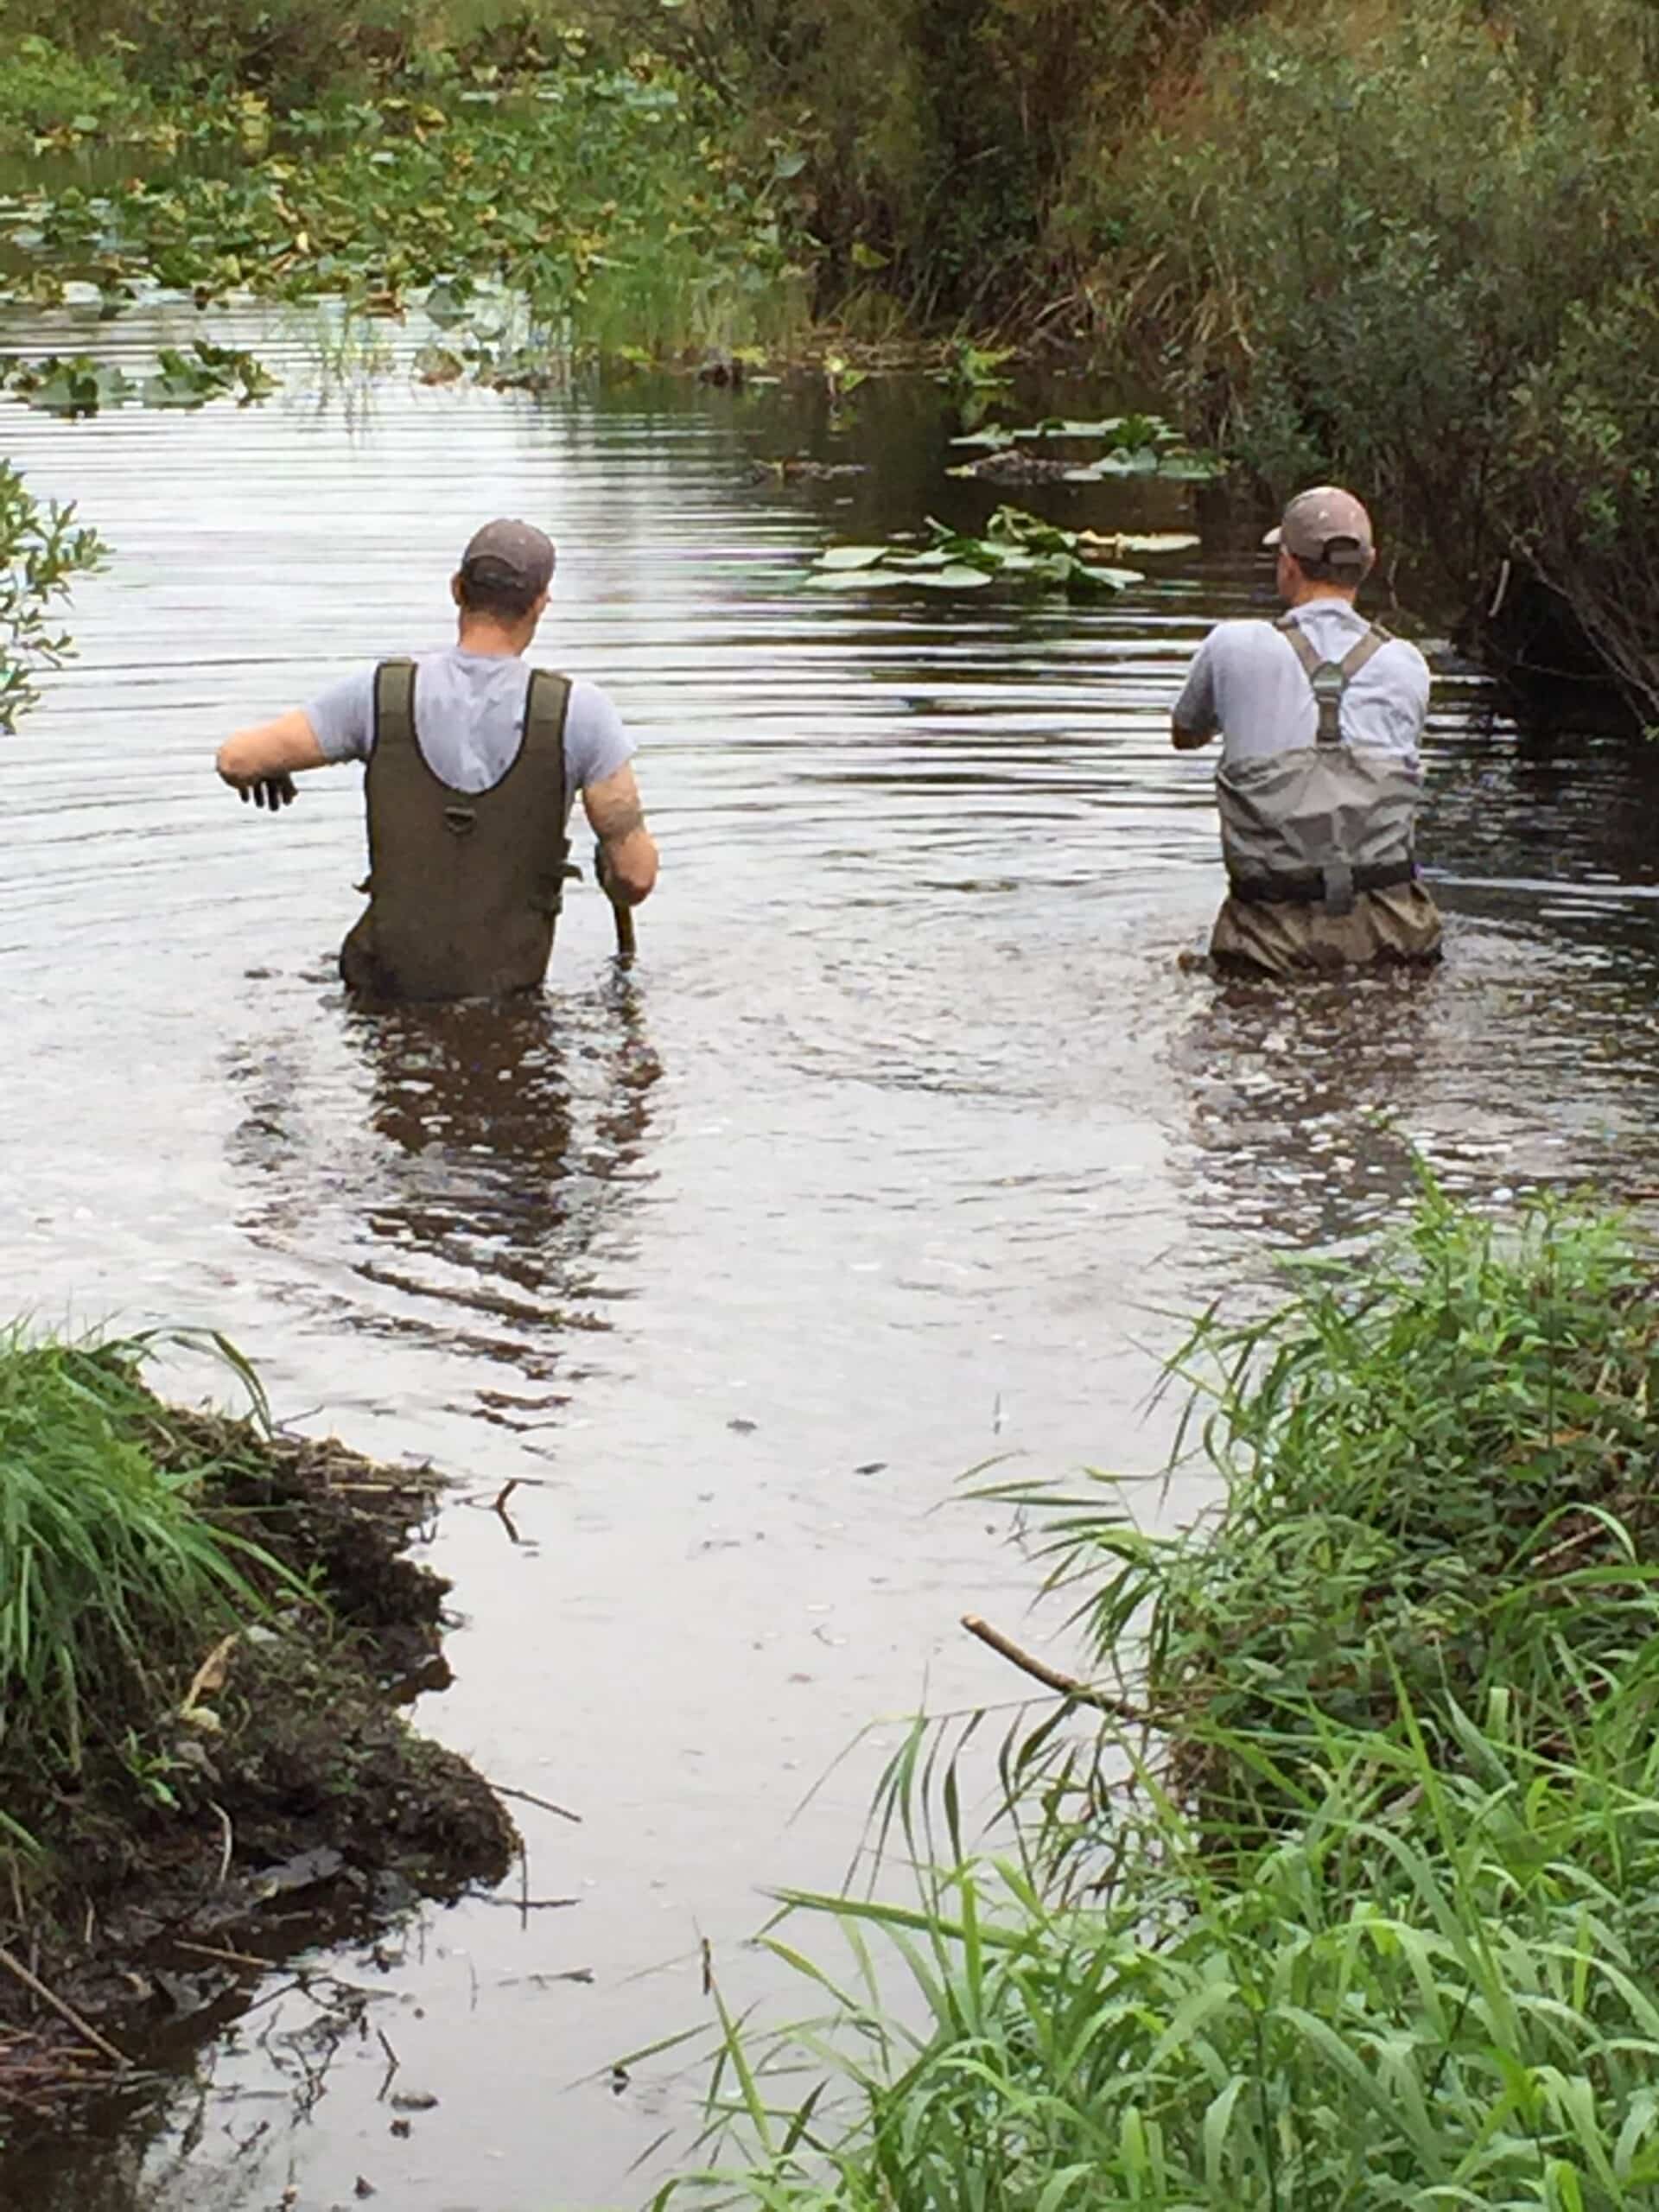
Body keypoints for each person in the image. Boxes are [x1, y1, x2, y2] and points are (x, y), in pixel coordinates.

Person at [215, 518, 658, 1001]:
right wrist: (614, 869)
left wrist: (275, 764)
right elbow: (634, 878)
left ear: (456, 590)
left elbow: (238, 759)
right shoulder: (583, 715)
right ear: (540, 603)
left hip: (380, 997)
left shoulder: (379, 695)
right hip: (507, 999)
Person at [1171, 486, 1442, 977]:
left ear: (1287, 564)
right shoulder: (1409, 666)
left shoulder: (1231, 646)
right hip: (1395, 936)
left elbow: (1183, 733)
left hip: (1269, 941)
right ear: (1369, 562)